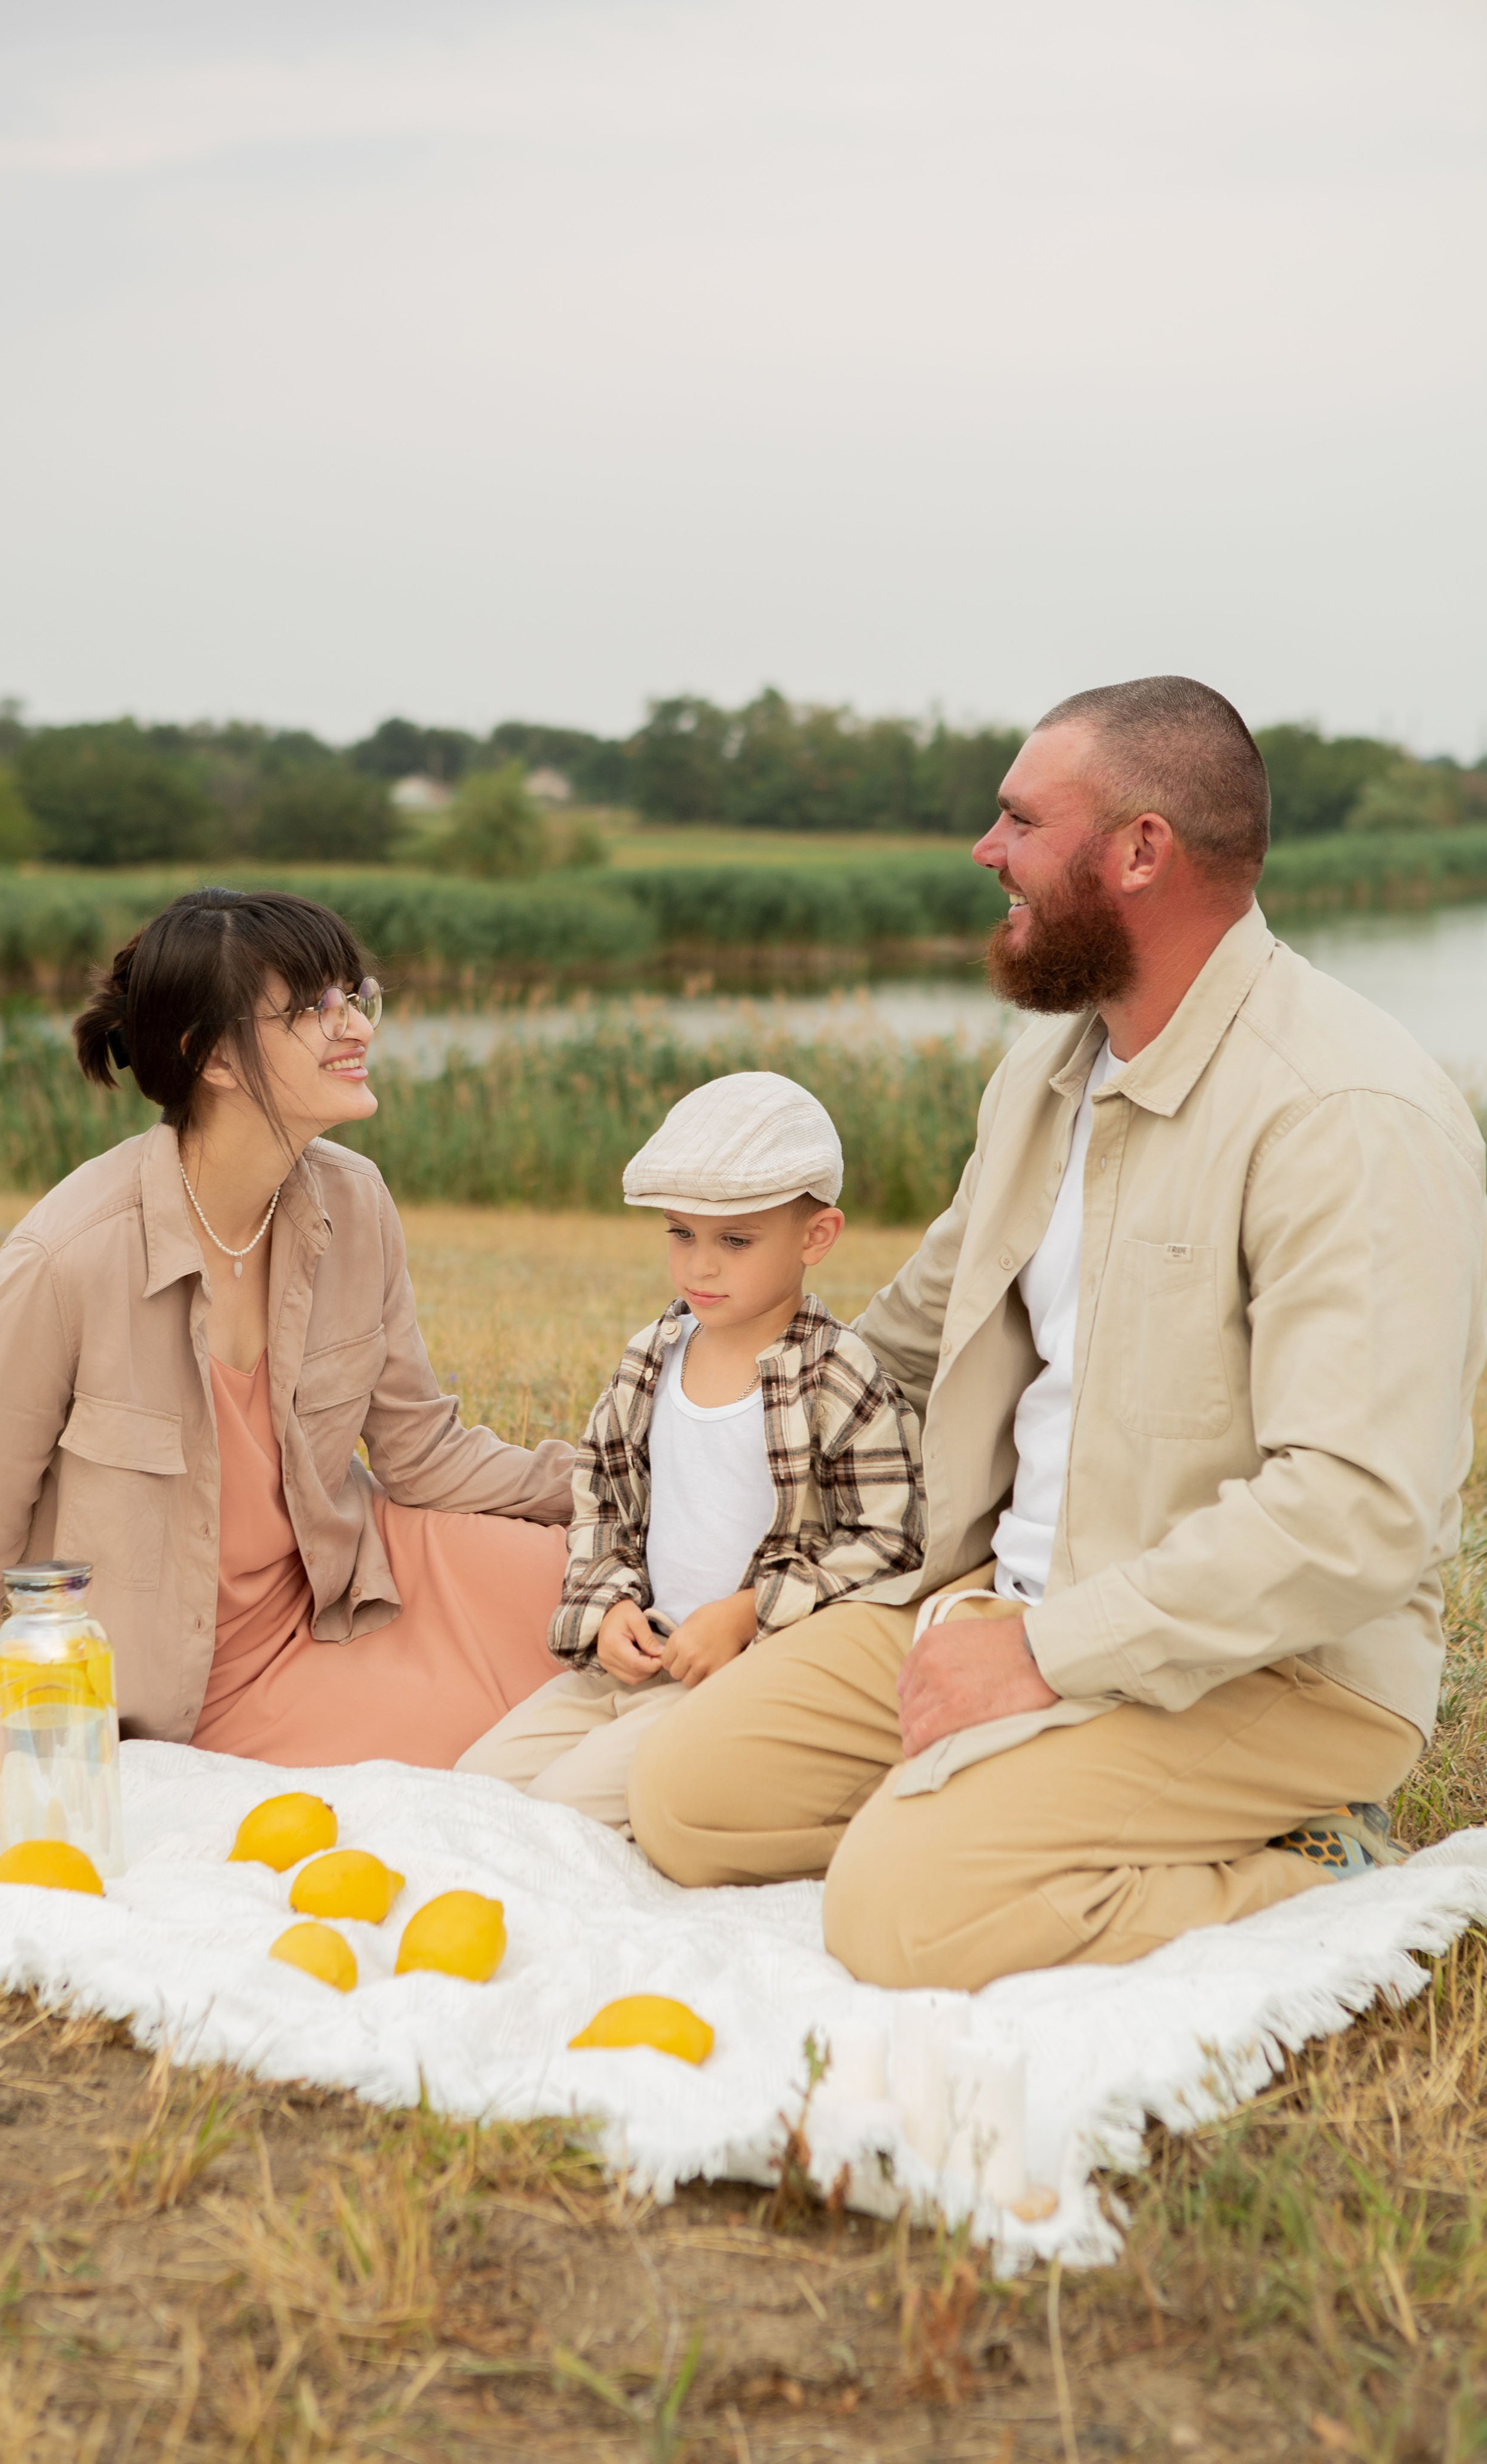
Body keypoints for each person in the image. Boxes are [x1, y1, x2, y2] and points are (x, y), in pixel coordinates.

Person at [628, 676, 1487, 1989]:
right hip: (991, 1602)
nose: (985, 853)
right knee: (688, 1801)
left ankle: (1315, 1862)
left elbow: (1354, 1512)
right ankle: (1007, 1813)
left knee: (898, 1915)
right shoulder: (1048, 1068)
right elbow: (909, 1336)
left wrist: (1045, 1656)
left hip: (1262, 1674)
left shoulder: (1344, 1112)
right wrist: (669, 1424)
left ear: (1139, 851)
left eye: (1018, 820)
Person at [0, 888, 574, 1792]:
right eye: (314, 1008)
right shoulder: (65, 1260)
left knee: (599, 1591)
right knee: (500, 1756)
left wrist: (616, 1481)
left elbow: (421, 1454)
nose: (357, 1029)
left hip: (353, 1590)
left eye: (355, 996)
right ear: (213, 1055)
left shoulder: (355, 1201)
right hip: (192, 1680)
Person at [456, 1072, 926, 1826]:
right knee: (472, 1785)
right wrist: (607, 1609)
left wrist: (747, 1613)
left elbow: (891, 1542)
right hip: (635, 1654)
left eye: (734, 1241)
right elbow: (603, 1504)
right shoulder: (651, 1359)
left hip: (733, 1674)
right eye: (681, 1233)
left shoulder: (838, 1375)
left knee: (563, 1813)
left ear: (817, 1236)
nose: (699, 1265)